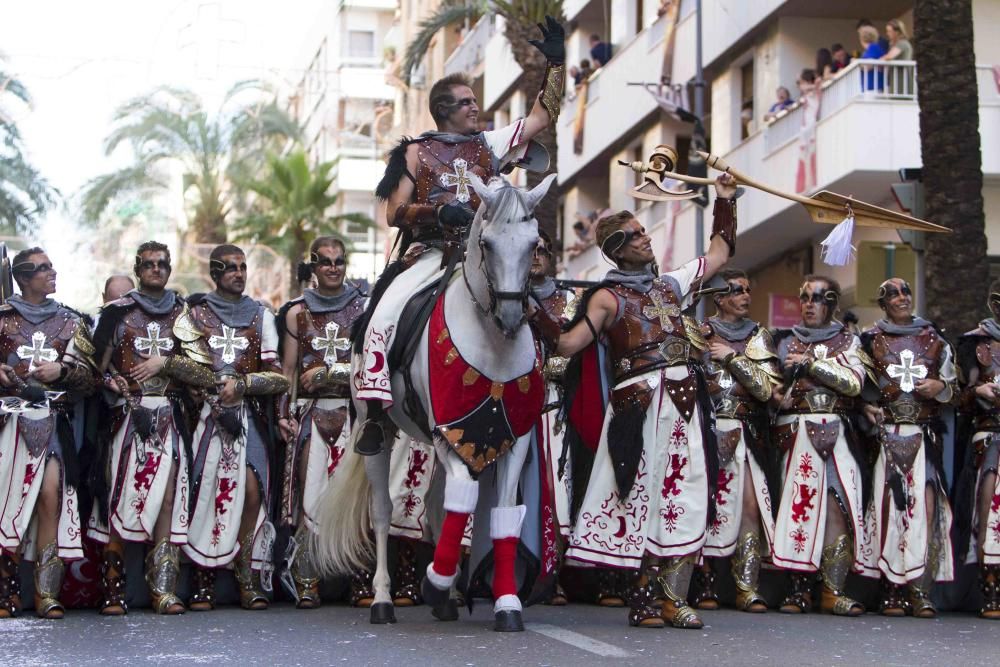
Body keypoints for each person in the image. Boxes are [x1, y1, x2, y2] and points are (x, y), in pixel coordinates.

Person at [354, 17, 566, 456]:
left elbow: (542, 116)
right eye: (467, 102)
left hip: (484, 254)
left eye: (474, 101)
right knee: (385, 312)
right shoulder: (414, 151)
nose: (475, 107)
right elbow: (395, 212)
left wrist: (556, 63)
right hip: (430, 254)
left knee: (528, 305)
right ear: (444, 109)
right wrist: (437, 210)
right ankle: (375, 408)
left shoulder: (489, 144)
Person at [542, 173, 737, 629]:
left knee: (686, 495)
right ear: (616, 248)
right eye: (634, 236)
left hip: (687, 400)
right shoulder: (607, 297)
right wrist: (532, 311)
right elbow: (569, 346)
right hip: (640, 403)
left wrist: (725, 200)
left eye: (643, 231)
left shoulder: (671, 285)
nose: (645, 239)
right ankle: (645, 599)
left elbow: (721, 254)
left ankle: (675, 597)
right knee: (644, 499)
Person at [87, 241, 214, 615]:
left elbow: (203, 372)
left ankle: (163, 588)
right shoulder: (117, 312)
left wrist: (166, 363)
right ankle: (112, 589)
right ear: (138, 269)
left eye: (162, 264)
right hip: (127, 415)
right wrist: (112, 382)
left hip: (170, 414)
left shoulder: (183, 312)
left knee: (169, 496)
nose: (156, 269)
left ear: (170, 269)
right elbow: (94, 369)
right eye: (149, 264)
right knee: (118, 496)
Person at [175, 244, 290, 610]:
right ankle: (202, 580)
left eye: (242, 267)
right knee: (203, 492)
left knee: (253, 493)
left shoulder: (261, 315)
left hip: (248, 416)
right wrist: (208, 388)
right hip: (206, 417)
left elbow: (277, 376)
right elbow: (180, 366)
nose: (239, 273)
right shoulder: (193, 314)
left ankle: (247, 576)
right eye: (230, 268)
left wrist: (242, 385)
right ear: (215, 273)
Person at [0, 248, 96, 619]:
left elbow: (90, 380)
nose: (51, 273)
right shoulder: (3, 319)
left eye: (52, 267)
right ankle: (5, 588)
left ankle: (46, 591)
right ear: (23, 278)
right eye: (42, 269)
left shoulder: (70, 322)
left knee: (50, 498)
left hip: (54, 422)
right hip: (10, 422)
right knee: (7, 504)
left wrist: (63, 372)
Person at [277, 237, 371, 609]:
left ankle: (361, 579)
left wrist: (334, 372)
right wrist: (283, 414)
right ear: (313, 267)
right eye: (326, 262)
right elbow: (287, 369)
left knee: (357, 498)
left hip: (353, 413)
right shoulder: (296, 312)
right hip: (312, 414)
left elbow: (371, 360)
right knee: (309, 495)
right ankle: (306, 580)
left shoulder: (364, 307)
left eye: (339, 261)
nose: (333, 268)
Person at [857, 278, 955, 618]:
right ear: (883, 303)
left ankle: (920, 588)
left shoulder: (934, 338)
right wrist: (867, 407)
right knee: (889, 509)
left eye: (905, 292)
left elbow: (955, 386)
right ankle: (890, 589)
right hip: (887, 435)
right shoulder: (869, 340)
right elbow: (860, 387)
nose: (901, 298)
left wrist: (939, 385)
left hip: (924, 434)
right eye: (893, 294)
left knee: (924, 510)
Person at [770, 276, 866, 617]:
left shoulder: (851, 342)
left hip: (838, 430)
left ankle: (832, 590)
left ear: (832, 303)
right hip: (795, 431)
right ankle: (797, 591)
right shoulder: (782, 340)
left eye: (818, 298)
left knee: (838, 507)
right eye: (805, 297)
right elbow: (770, 387)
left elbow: (854, 384)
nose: (810, 304)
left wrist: (811, 365)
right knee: (798, 508)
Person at [690, 270, 780, 613]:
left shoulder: (759, 336)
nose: (745, 296)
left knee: (749, 508)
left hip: (747, 431)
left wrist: (732, 357)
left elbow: (766, 390)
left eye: (747, 290)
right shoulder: (700, 333)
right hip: (707, 430)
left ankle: (747, 586)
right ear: (720, 298)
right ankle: (705, 584)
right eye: (736, 290)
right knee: (706, 505)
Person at [528, 231, 576, 605]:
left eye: (544, 250)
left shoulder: (570, 301)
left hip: (556, 407)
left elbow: (575, 352)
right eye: (531, 249)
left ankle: (552, 576)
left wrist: (546, 365)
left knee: (557, 495)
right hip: (511, 405)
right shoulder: (503, 295)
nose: (537, 256)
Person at [956, 281, 1000, 618]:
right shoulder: (976, 343)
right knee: (990, 511)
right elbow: (960, 397)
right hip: (990, 436)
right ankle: (991, 590)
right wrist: (980, 391)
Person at [858, 24, 886, 92]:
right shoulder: (871, 49)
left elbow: (868, 66)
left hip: (874, 87)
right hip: (870, 87)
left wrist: (857, 63)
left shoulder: (873, 48)